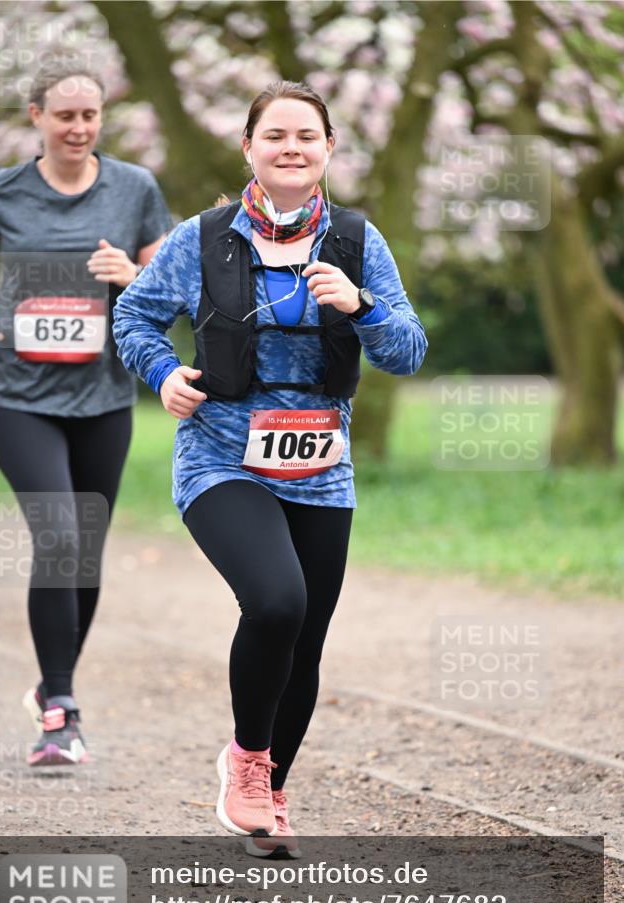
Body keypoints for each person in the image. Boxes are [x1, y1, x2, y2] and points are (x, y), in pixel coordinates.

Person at [113, 80, 427, 854]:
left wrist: (360, 306)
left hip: (321, 464)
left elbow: (407, 352)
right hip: (222, 458)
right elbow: (134, 315)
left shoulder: (356, 241)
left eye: (307, 137)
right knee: (277, 601)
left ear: (328, 149)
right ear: (248, 148)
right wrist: (162, 374)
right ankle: (246, 761)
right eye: (276, 135)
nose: (292, 148)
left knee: (305, 640)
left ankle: (271, 792)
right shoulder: (202, 237)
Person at [0, 53, 171, 767]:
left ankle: (55, 684)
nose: (79, 128)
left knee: (83, 552)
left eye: (90, 115)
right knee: (56, 536)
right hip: (17, 394)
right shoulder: (2, 188)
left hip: (103, 396)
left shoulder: (135, 187)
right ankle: (61, 710)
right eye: (65, 116)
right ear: (37, 118)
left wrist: (132, 276)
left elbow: (165, 282)